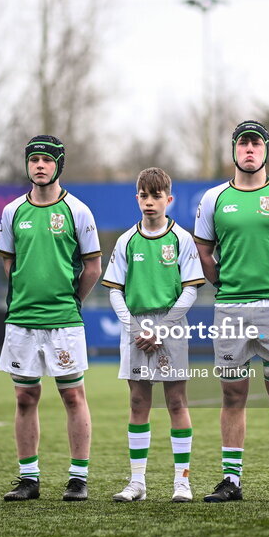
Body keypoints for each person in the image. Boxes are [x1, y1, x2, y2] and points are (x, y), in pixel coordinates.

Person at [194, 120, 269, 502]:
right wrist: (226, 287)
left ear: (266, 149)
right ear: (233, 150)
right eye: (243, 144)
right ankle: (231, 480)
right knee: (232, 395)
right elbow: (203, 253)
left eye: (256, 144)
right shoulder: (213, 198)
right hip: (230, 309)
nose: (250, 150)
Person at [0, 135, 101, 502]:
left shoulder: (78, 211)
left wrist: (71, 299)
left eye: (46, 160)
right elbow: (8, 262)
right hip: (22, 320)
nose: (39, 165)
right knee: (25, 397)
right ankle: (29, 478)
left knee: (73, 395)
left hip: (64, 320)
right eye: (34, 160)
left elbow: (92, 266)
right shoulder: (12, 212)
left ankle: (78, 478)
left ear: (59, 165)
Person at [102, 167, 205, 503]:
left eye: (156, 195)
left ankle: (182, 482)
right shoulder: (126, 240)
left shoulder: (182, 238)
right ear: (137, 198)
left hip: (171, 328)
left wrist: (161, 328)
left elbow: (190, 290)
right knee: (137, 403)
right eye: (144, 196)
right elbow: (115, 290)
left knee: (176, 401)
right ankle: (137, 483)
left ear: (169, 199)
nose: (149, 202)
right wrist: (135, 328)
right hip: (134, 328)